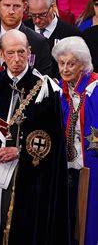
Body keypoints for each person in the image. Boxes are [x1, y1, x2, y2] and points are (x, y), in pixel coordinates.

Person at [0, 29, 70, 245]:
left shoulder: (44, 88)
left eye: (21, 52)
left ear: (29, 52)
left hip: (28, 178)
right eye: (10, 53)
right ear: (0, 54)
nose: (16, 59)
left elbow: (52, 140)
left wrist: (19, 151)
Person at [51, 37, 98, 245]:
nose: (65, 68)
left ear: (83, 65)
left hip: (91, 167)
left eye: (71, 63)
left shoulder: (95, 89)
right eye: (61, 63)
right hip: (66, 168)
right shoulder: (58, 91)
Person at [24, 0, 81, 78]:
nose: (37, 20)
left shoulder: (71, 34)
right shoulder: (23, 30)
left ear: (52, 6)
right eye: (33, 15)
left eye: (42, 14)